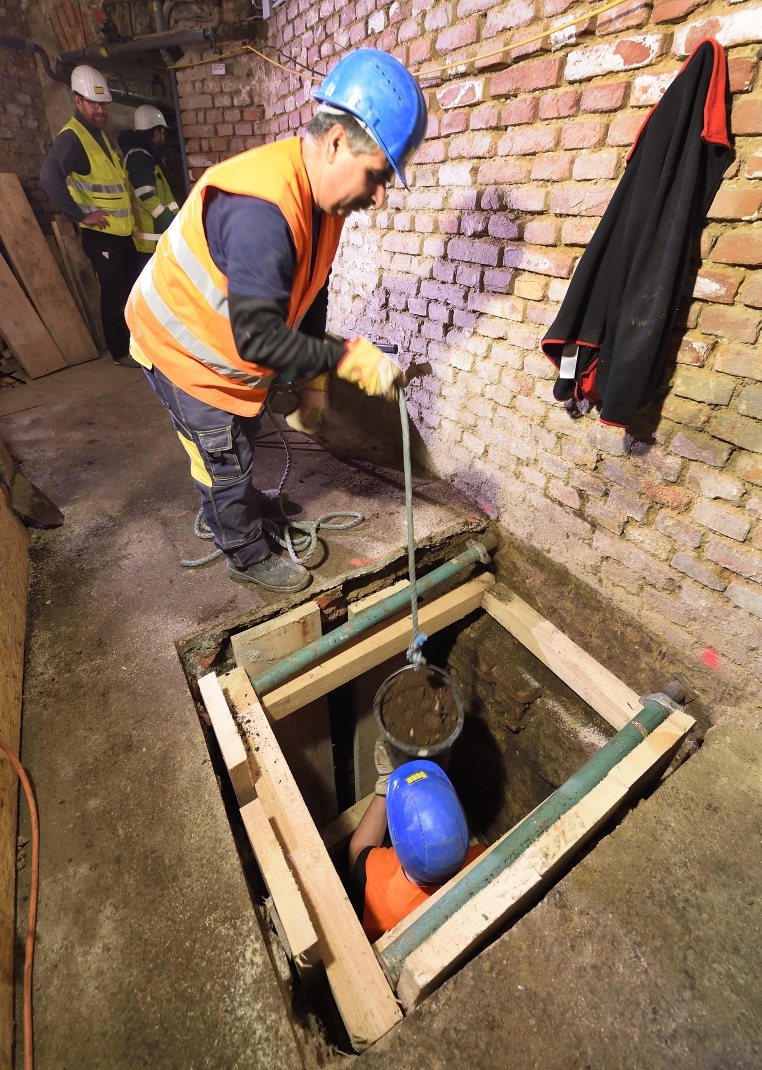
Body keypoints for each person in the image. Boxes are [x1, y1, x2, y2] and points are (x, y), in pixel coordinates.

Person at [125, 49, 427, 594]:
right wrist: (346, 361)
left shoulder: (323, 201)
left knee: (240, 433)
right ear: (337, 143)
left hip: (220, 347)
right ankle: (242, 549)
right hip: (179, 350)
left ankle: (240, 496)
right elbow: (259, 336)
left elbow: (310, 297)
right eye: (378, 175)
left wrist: (312, 385)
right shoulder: (262, 211)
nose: (380, 197)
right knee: (221, 453)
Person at [40, 65, 144, 369]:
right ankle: (120, 352)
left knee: (130, 290)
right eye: (93, 104)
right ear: (78, 101)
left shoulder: (99, 136)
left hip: (121, 233)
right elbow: (49, 175)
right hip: (102, 235)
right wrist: (80, 215)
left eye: (104, 104)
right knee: (114, 294)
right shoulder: (73, 138)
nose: (100, 110)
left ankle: (137, 344)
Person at [349, 744, 486, 943]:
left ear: (395, 841)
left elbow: (357, 851)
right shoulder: (482, 861)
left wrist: (384, 788)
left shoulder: (378, 885)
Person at [118, 105, 179, 257]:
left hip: (157, 236)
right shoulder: (140, 157)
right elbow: (146, 195)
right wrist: (167, 218)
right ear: (156, 132)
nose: (164, 137)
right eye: (163, 132)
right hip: (151, 240)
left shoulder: (147, 156)